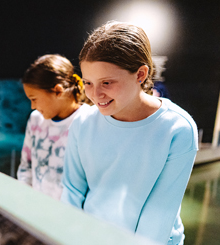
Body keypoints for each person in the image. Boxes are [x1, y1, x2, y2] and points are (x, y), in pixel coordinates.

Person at [61, 21, 198, 245]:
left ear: (140, 74)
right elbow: (72, 191)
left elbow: (159, 212)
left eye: (107, 82)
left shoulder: (178, 128)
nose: (96, 94)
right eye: (88, 82)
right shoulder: (83, 122)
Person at [17, 54, 91, 200]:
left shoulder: (88, 122)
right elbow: (26, 166)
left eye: (34, 99)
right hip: (36, 210)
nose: (33, 106)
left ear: (58, 91)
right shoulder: (36, 119)